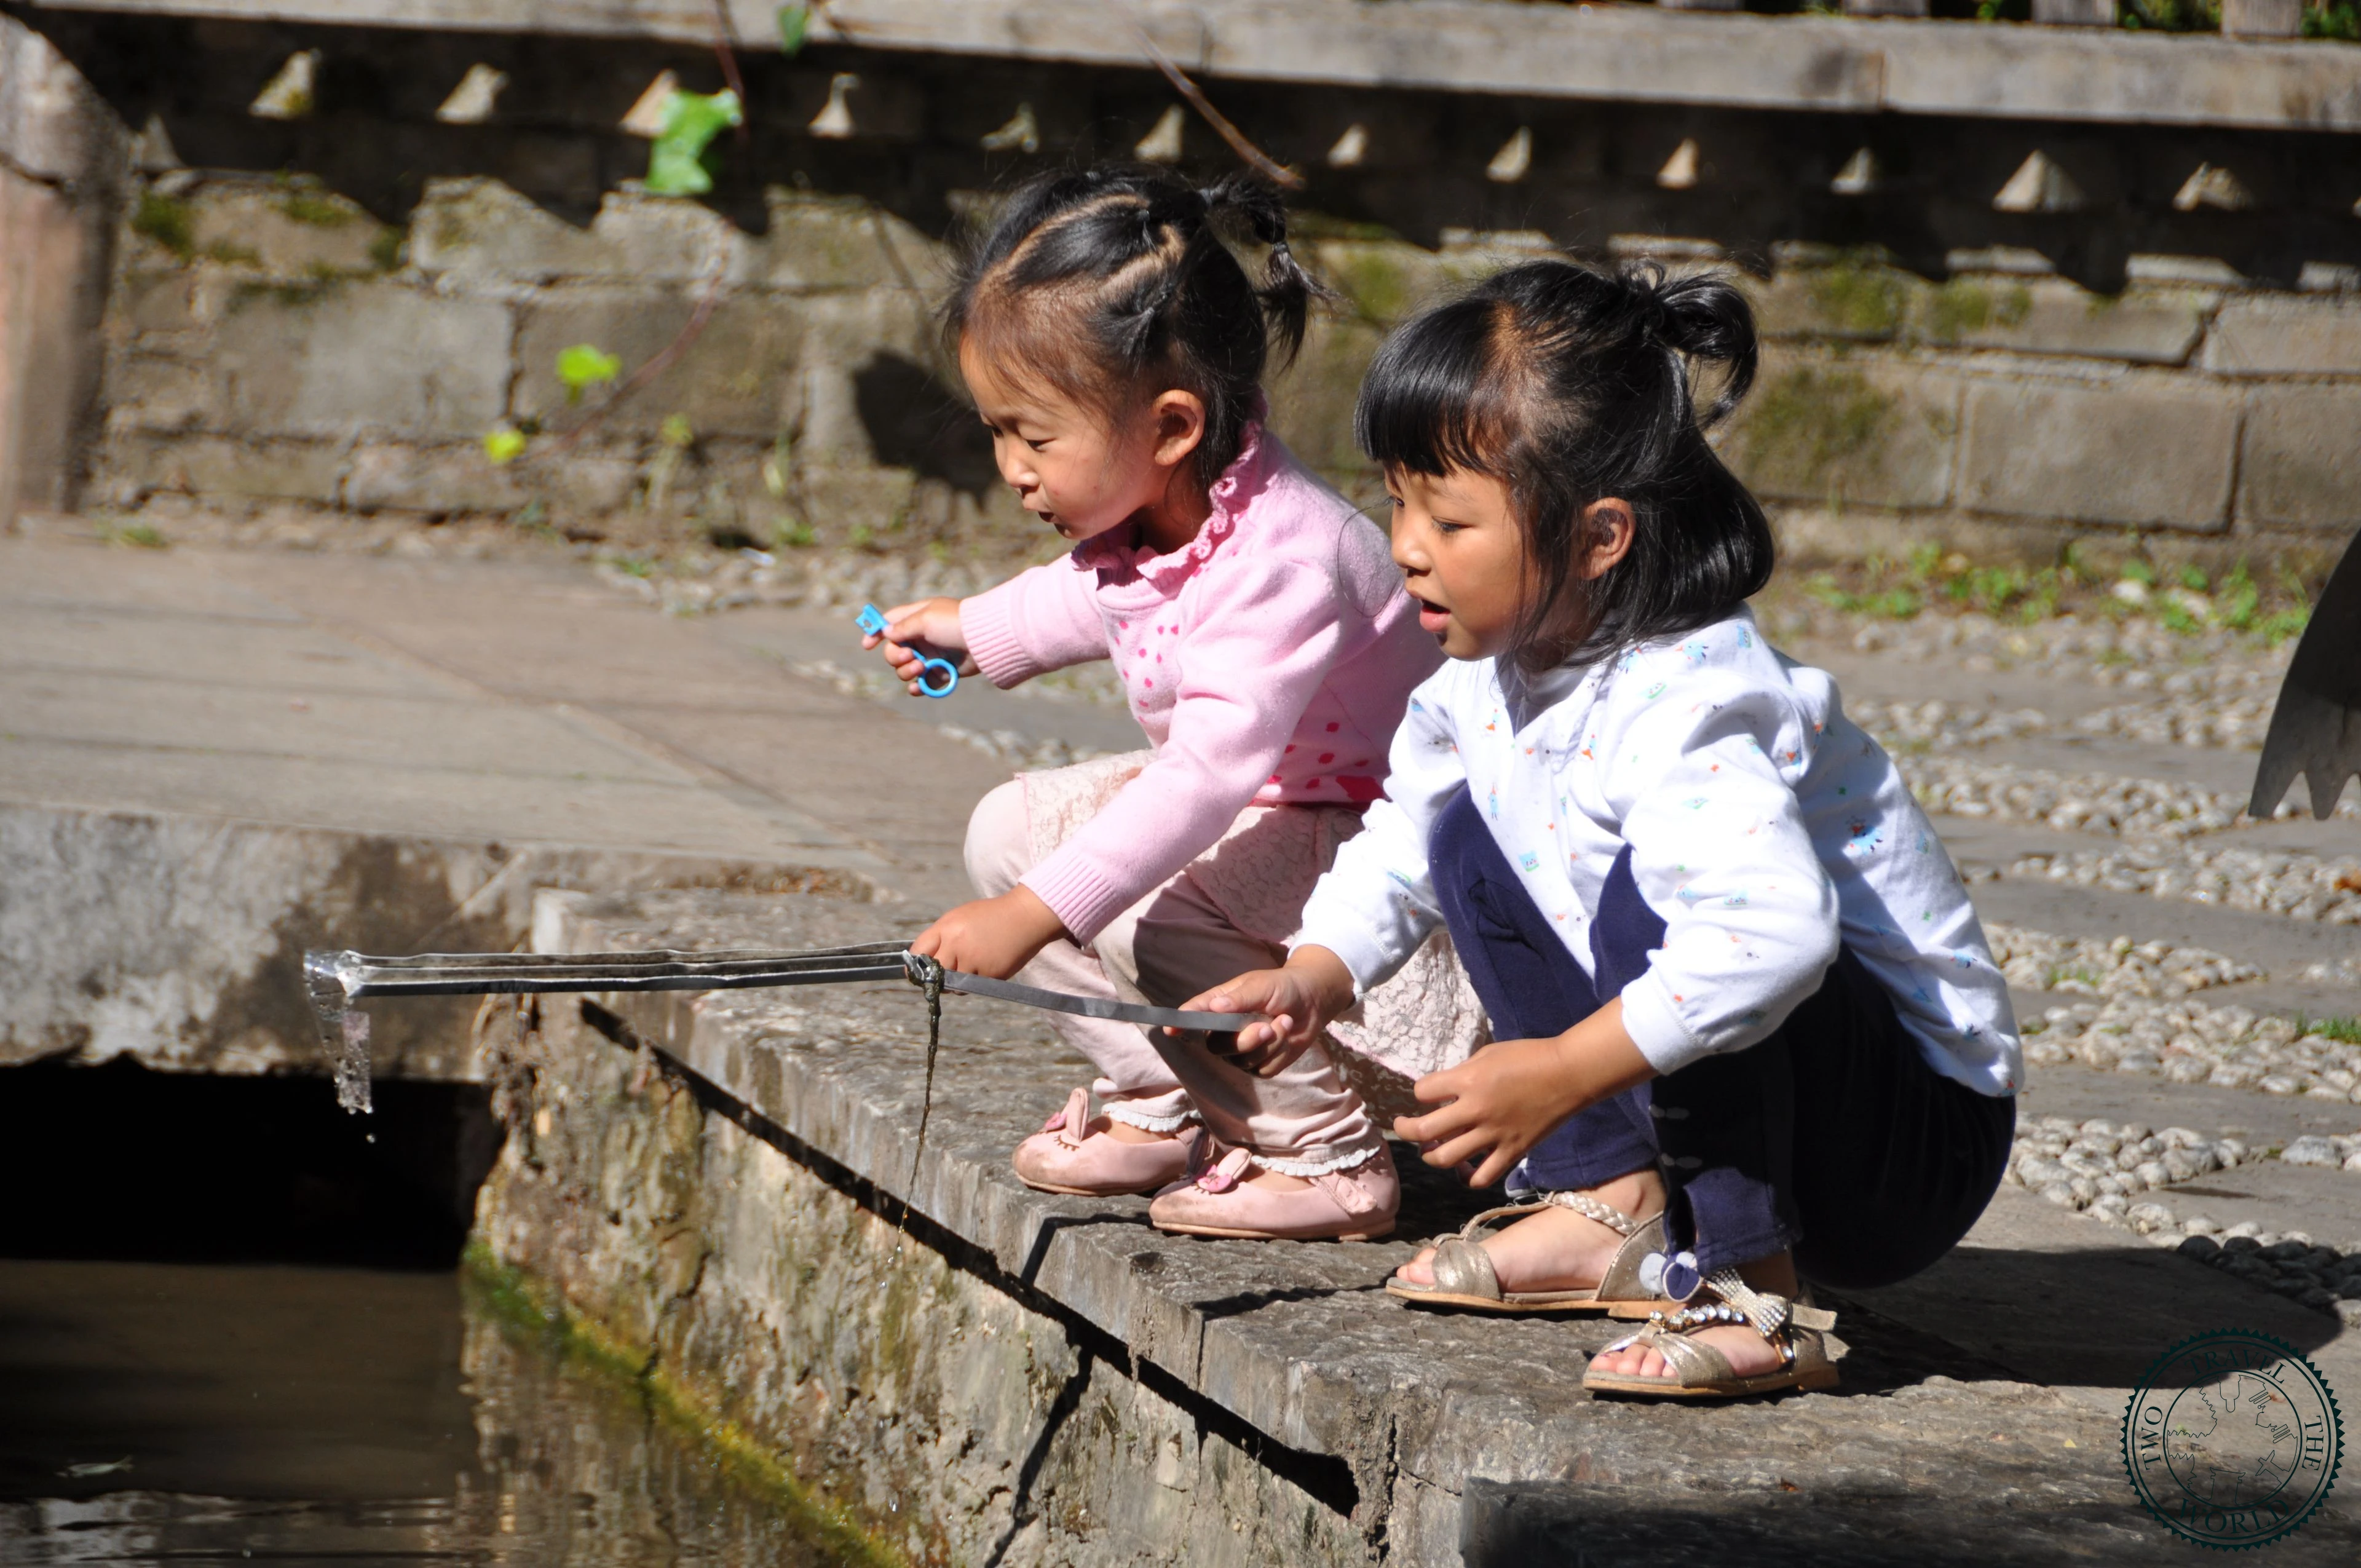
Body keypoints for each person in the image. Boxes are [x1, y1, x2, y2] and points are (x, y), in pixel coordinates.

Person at [1180, 259, 2019, 1398]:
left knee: (1664, 898)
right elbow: (1399, 843)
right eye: (1397, 502)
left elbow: (1769, 940)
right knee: (1462, 837)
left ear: (1600, 535)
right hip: (1781, 1096)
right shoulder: (1481, 681)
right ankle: (1614, 1201)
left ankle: (1752, 1290)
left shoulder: (1691, 700)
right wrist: (1316, 972)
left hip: (1904, 1144)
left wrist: (1564, 1069)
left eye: (1451, 516)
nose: (1408, 546)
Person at [864, 166, 1441, 1241]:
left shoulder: (1284, 559)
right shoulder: (1170, 504)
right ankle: (1169, 1094)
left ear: (1171, 424)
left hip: (1361, 823)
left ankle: (1325, 1155)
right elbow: (1098, 595)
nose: (1011, 470)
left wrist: (1035, 913)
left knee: (1150, 911)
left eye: (1034, 437)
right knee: (1007, 831)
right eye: (997, 432)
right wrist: (971, 632)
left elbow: (1204, 778)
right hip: (1276, 799)